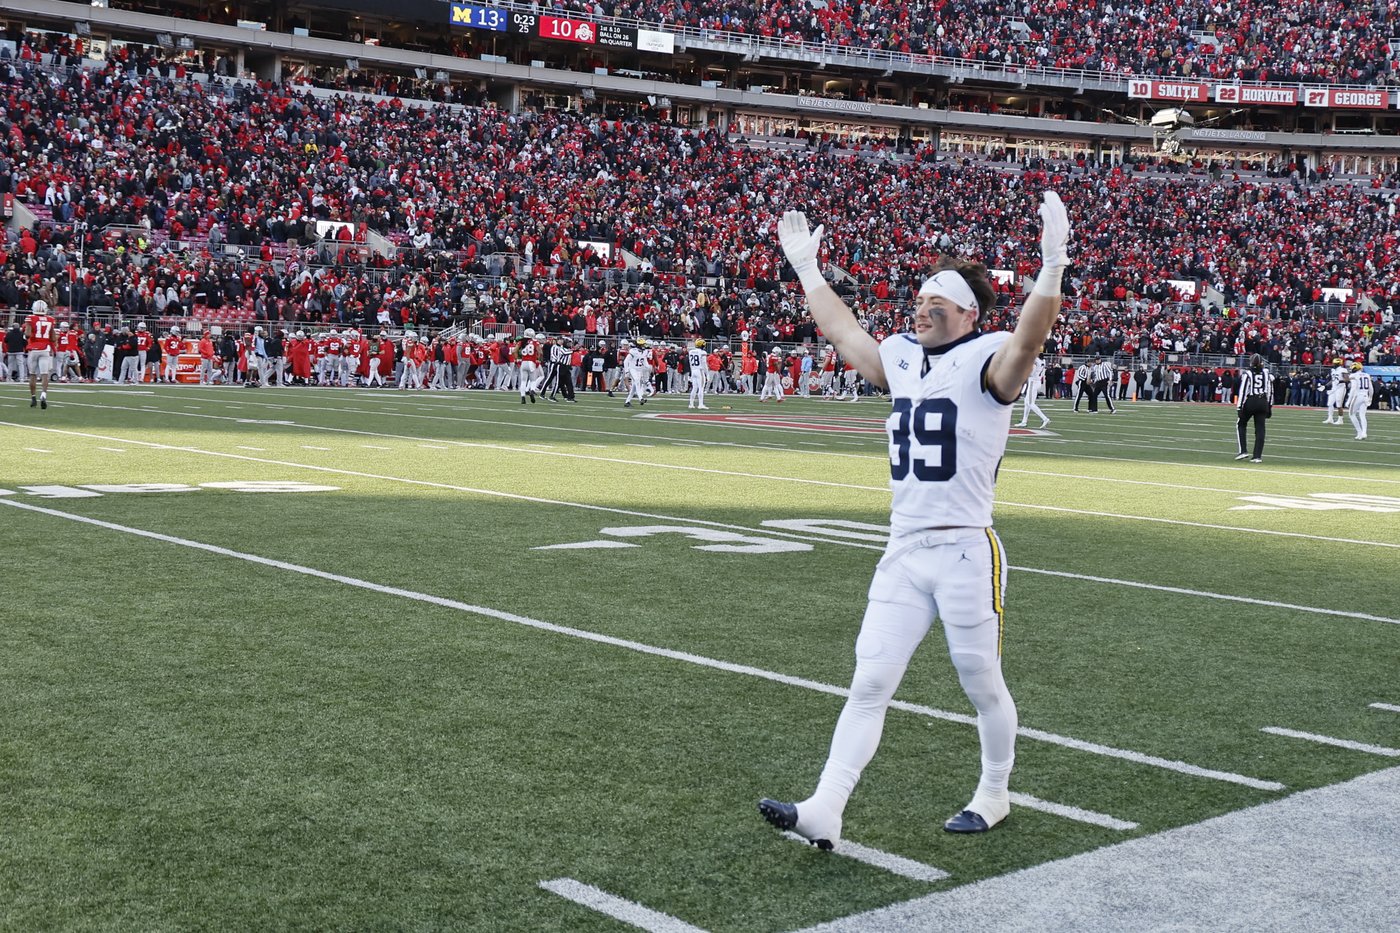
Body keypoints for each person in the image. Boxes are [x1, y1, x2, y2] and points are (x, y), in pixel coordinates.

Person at [759, 192, 1070, 846]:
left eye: (938, 303)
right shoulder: (901, 356)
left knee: (980, 679)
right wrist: (808, 270)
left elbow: (1030, 338)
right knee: (869, 676)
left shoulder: (990, 357)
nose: (921, 309)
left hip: (964, 549)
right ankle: (826, 805)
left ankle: (993, 791)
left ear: (967, 313)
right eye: (919, 299)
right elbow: (845, 333)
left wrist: (1050, 266)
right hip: (904, 548)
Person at [1234, 353, 1271, 463]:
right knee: (1260, 429)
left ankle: (1243, 451)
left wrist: (1239, 407)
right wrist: (1269, 406)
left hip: (1251, 401)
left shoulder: (1248, 374)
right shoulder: (1266, 372)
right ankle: (1257, 456)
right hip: (1263, 401)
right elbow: (1270, 390)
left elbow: (1243, 391)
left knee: (1241, 424)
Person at [24, 299, 56, 409]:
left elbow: (27, 334)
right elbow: (52, 338)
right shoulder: (50, 319)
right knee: (44, 374)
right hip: (45, 349)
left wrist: (26, 336)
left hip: (33, 349)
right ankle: (43, 394)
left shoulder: (31, 318)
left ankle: (33, 397)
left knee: (32, 374)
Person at [1016, 354, 1050, 428]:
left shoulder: (1035, 360)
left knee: (1030, 403)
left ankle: (1045, 418)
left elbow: (1032, 373)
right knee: (1027, 402)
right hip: (1037, 382)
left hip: (1033, 382)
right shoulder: (1043, 360)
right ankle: (1024, 421)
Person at [1347, 362, 1374, 440]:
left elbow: (1353, 388)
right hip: (1365, 396)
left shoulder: (1354, 375)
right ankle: (1364, 432)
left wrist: (1348, 400)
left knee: (1351, 414)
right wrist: (1370, 398)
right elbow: (1371, 389)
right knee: (1362, 415)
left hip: (1358, 396)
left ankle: (1359, 432)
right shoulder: (1367, 375)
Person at [687, 338, 709, 409]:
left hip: (693, 370)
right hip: (700, 371)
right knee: (701, 388)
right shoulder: (702, 353)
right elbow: (704, 364)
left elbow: (690, 363)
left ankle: (691, 404)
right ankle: (700, 404)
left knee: (694, 388)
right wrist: (707, 374)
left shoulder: (691, 352)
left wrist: (691, 372)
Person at [1325, 357, 1348, 424]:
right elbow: (1333, 380)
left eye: (1334, 363)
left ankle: (1340, 419)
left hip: (1341, 388)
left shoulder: (1343, 370)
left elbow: (1347, 379)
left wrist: (1341, 381)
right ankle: (1330, 418)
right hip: (1333, 388)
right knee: (1330, 403)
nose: (1333, 364)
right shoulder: (1333, 370)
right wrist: (1325, 385)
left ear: (1338, 364)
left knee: (1339, 404)